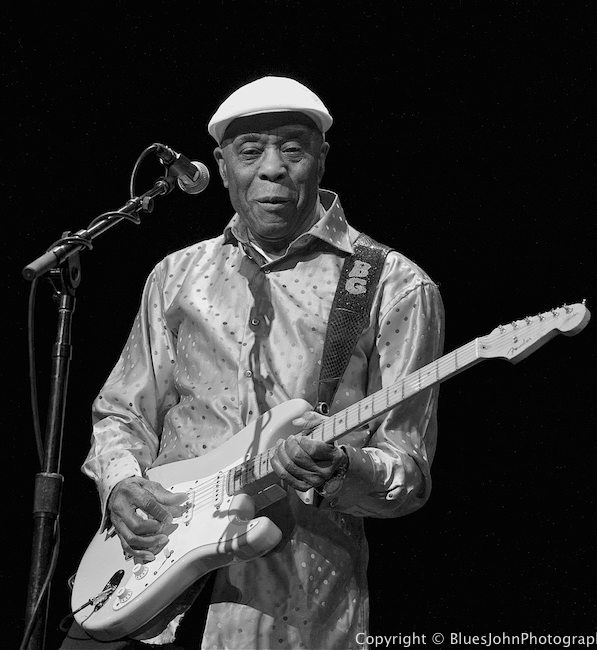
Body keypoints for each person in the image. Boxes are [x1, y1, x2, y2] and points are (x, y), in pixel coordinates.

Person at [61, 75, 445, 650]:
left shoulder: (393, 285)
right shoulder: (176, 275)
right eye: (250, 151)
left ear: (322, 158)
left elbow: (407, 471)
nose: (273, 168)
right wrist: (120, 486)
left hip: (286, 607)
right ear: (220, 165)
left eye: (293, 147)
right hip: (137, 583)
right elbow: (120, 413)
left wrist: (341, 468)